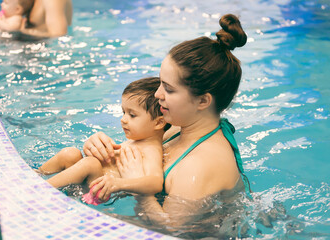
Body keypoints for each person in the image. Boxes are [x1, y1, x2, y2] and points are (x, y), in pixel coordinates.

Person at [83, 13, 252, 229]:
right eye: (161, 83)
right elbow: (133, 154)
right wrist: (99, 147)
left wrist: (139, 190)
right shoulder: (177, 128)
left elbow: (170, 229)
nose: (157, 94)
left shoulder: (199, 166)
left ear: (202, 101)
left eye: (169, 89)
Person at [37, 77, 170, 204]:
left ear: (159, 123)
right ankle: (35, 175)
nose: (123, 119)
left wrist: (119, 184)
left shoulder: (151, 149)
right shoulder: (138, 139)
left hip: (99, 191)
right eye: (123, 112)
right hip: (89, 180)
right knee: (70, 153)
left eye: (132, 115)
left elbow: (155, 182)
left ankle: (39, 191)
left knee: (91, 163)